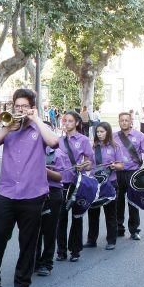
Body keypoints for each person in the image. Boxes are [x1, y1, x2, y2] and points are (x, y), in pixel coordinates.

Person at [0, 88, 59, 287]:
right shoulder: (8, 128)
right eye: (17, 106)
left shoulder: (40, 128)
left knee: (27, 241)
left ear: (32, 108)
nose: (20, 110)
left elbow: (54, 142)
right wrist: (6, 129)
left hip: (33, 195)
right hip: (7, 193)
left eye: (24, 106)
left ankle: (21, 284)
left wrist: (36, 119)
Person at [115, 111, 144, 241]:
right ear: (119, 122)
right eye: (121, 120)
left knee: (133, 202)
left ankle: (134, 230)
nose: (124, 122)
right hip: (117, 173)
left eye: (126, 120)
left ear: (131, 122)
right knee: (118, 201)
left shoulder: (140, 136)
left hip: (133, 173)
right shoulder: (113, 136)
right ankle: (119, 228)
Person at [55, 111, 92, 262]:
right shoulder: (57, 140)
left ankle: (75, 250)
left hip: (77, 183)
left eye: (70, 121)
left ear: (76, 123)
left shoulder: (83, 140)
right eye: (65, 121)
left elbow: (90, 162)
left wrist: (84, 165)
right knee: (61, 219)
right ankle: (61, 251)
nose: (67, 123)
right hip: (61, 183)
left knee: (77, 217)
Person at [85, 122, 124, 251]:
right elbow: (89, 165)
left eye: (102, 132)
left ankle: (111, 240)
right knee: (93, 213)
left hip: (110, 183)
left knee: (110, 213)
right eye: (98, 132)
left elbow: (121, 165)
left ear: (108, 132)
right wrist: (85, 165)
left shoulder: (115, 147)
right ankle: (91, 240)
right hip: (95, 184)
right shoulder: (93, 147)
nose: (100, 134)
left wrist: (114, 166)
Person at [34, 126, 65, 277]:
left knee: (49, 230)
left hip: (52, 193)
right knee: (34, 230)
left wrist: (42, 169)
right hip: (33, 193)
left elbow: (60, 177)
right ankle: (34, 261)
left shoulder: (57, 153)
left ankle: (46, 263)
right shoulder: (30, 151)